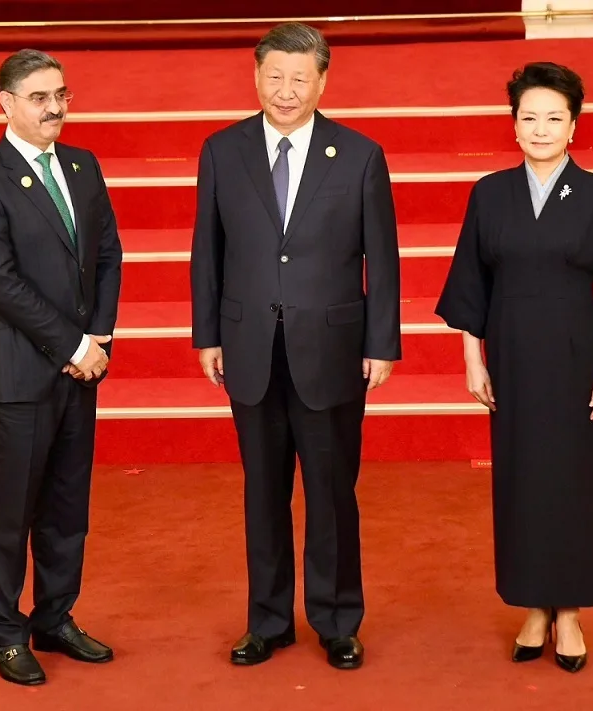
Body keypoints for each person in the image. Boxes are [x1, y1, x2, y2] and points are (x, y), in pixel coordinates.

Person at [435, 62, 593, 673]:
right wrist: (471, 357)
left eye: (553, 118)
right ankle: (533, 606)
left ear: (573, 126)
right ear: (513, 126)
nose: (540, 129)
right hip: (509, 356)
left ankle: (570, 613)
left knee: (572, 484)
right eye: (528, 117)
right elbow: (469, 284)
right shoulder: (489, 193)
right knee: (519, 482)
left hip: (575, 356)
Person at [190, 22, 400, 670]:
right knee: (263, 491)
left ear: (323, 81)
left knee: (333, 490)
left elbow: (383, 260)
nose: (285, 90)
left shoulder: (360, 154)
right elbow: (208, 250)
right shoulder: (222, 151)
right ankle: (268, 619)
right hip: (249, 345)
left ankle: (338, 618)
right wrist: (207, 333)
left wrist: (382, 342)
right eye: (274, 77)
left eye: (298, 78)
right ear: (256, 78)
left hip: (332, 349)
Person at [0, 49, 123, 686]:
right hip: (21, 374)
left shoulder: (82, 165)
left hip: (81, 368)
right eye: (38, 97)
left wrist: (99, 333)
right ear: (5, 102)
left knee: (66, 505)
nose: (54, 107)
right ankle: (5, 633)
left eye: (61, 94)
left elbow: (107, 251)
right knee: (12, 509)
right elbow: (1, 286)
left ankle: (55, 617)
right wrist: (75, 346)